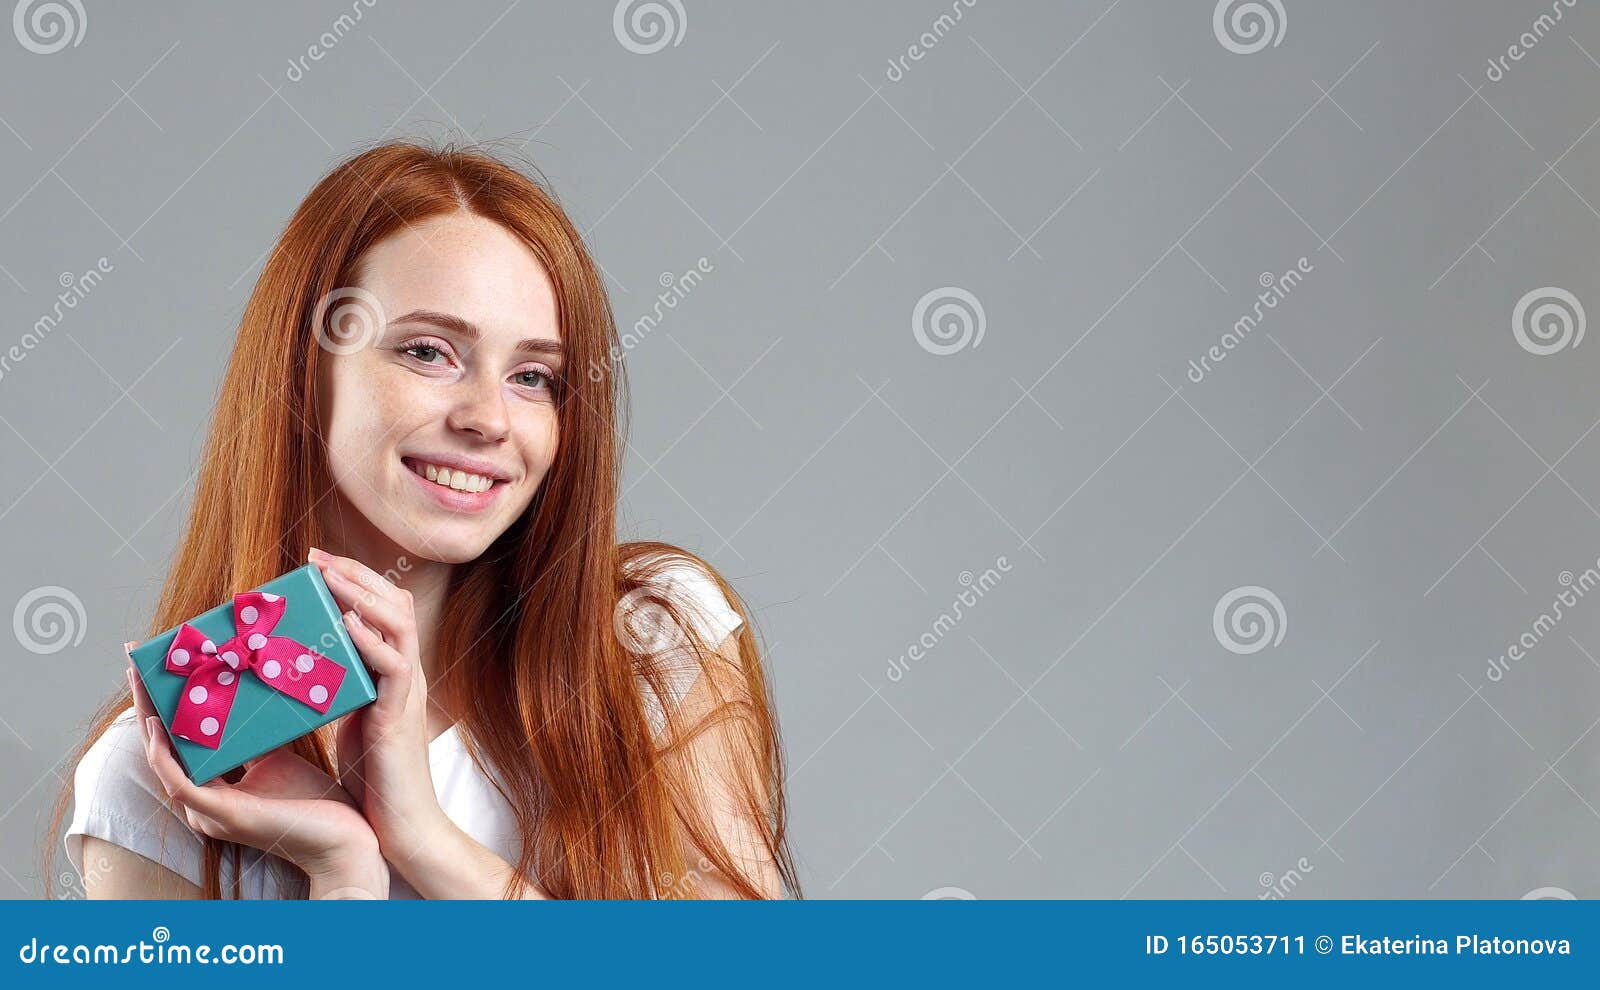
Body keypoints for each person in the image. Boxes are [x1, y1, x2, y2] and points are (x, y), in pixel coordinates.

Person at [44, 141, 799, 899]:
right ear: (305, 372)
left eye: (533, 376)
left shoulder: (652, 639)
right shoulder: (159, 780)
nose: (488, 420)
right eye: (430, 352)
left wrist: (425, 841)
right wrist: (345, 876)